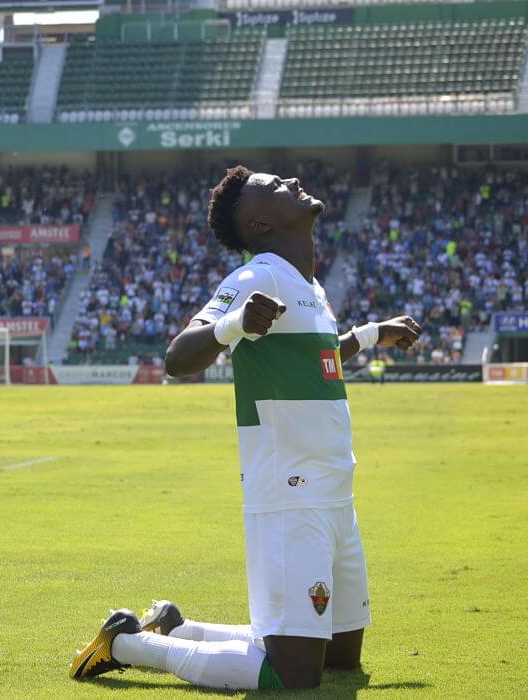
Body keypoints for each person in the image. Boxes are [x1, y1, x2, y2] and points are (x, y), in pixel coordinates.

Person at [69, 166, 421, 690]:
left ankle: (179, 626)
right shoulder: (259, 275)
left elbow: (319, 359)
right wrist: (234, 325)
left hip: (334, 494)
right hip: (290, 493)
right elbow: (177, 357)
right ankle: (127, 643)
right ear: (258, 225)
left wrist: (370, 335)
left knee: (339, 657)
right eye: (275, 187)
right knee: (294, 675)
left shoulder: (309, 287)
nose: (291, 183)